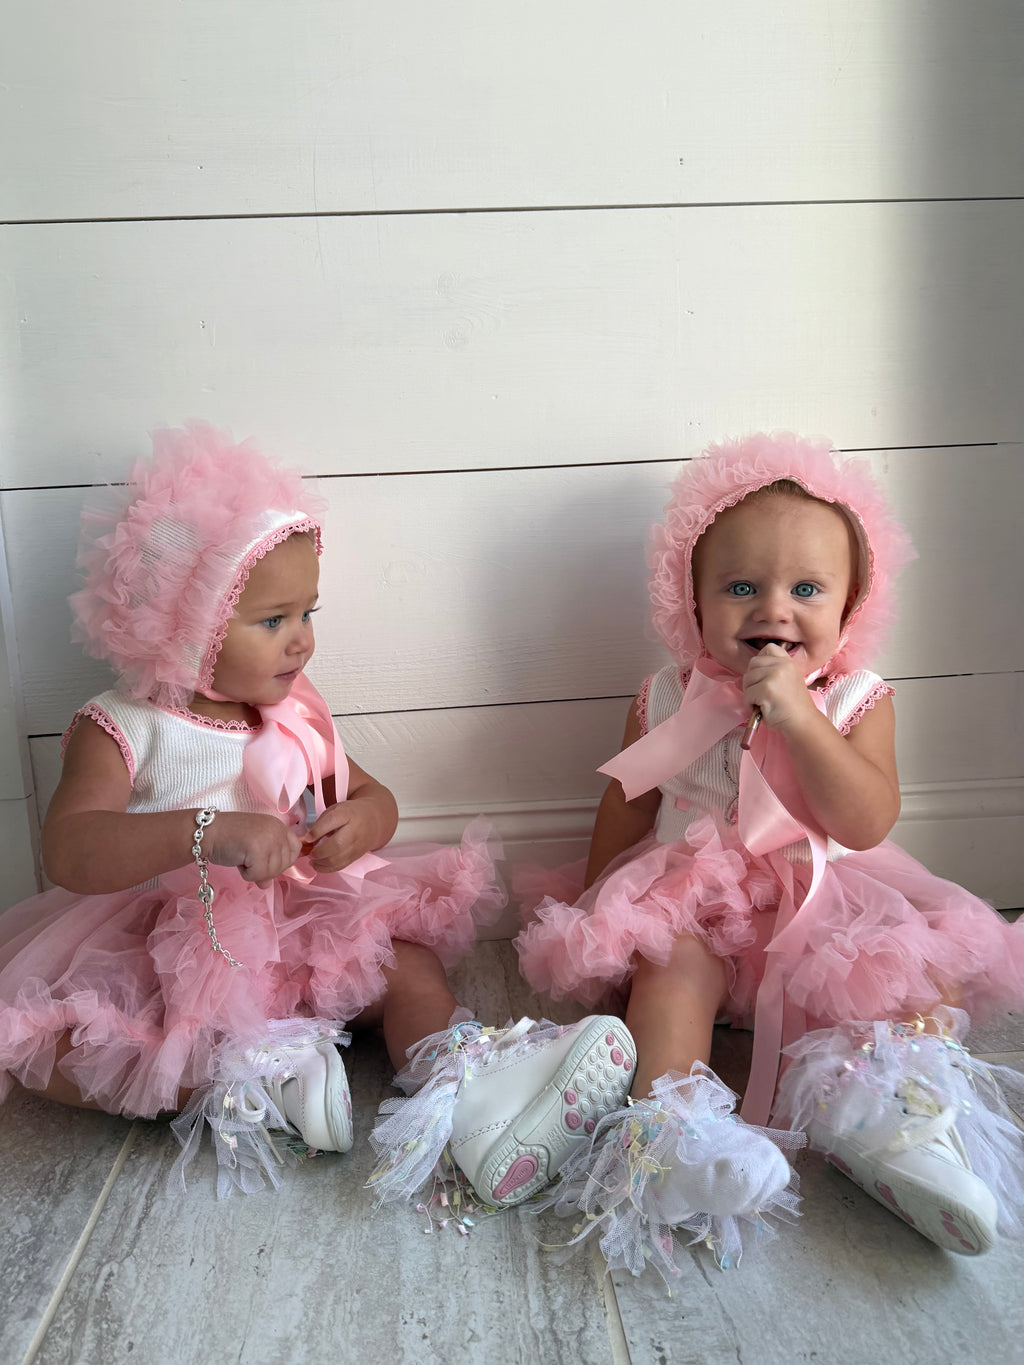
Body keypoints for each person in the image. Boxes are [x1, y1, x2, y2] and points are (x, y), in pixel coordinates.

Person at [0, 422, 635, 1205]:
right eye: (272, 621)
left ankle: (466, 1092)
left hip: (303, 921)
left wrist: (361, 823)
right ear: (186, 628)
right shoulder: (125, 725)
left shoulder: (294, 710)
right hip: (178, 946)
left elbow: (374, 796)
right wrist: (209, 833)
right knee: (69, 1046)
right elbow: (71, 847)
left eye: (308, 612)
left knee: (408, 966)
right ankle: (256, 1081)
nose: (301, 641)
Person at [515, 432, 1024, 1275]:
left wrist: (801, 719)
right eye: (741, 586)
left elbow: (864, 822)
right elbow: (628, 796)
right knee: (670, 970)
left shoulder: (859, 698)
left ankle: (894, 1120)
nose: (773, 609)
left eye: (807, 588)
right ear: (694, 599)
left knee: (915, 979)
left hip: (820, 898)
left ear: (852, 603)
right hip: (694, 891)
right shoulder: (668, 693)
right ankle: (678, 1134)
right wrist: (598, 908)